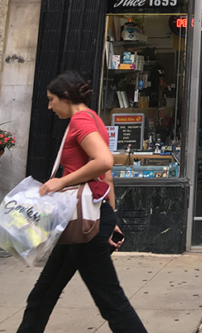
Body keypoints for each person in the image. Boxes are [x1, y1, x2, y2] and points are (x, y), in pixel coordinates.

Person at [17, 72, 148, 333]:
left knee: (111, 302)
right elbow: (106, 177)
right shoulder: (94, 119)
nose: (49, 106)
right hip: (85, 218)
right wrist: (110, 217)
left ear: (66, 97)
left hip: (85, 224)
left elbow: (104, 162)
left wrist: (61, 182)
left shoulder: (80, 120)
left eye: (52, 99)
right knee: (43, 294)